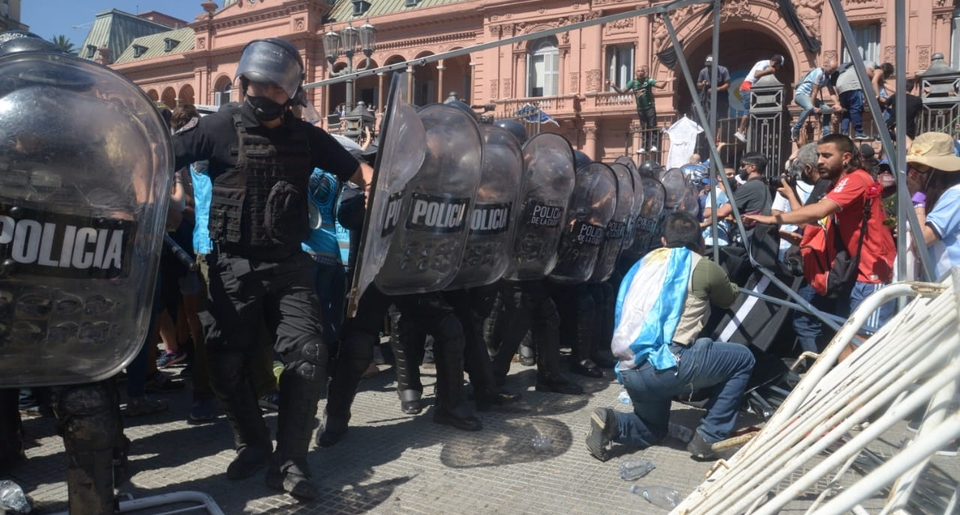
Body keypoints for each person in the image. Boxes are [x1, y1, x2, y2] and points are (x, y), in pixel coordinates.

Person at [173, 37, 373, 501]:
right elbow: (157, 154)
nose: (263, 93)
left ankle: (292, 461)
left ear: (291, 92)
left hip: (289, 265)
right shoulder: (216, 127)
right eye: (257, 84)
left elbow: (359, 172)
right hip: (232, 267)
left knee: (308, 355)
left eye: (274, 87)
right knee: (226, 363)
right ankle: (253, 444)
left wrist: (386, 187)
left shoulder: (306, 136)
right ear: (244, 82)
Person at [585, 211, 754, 461]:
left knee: (653, 429)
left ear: (663, 241)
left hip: (629, 368)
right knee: (743, 359)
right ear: (701, 243)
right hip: (668, 366)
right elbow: (728, 298)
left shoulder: (644, 263)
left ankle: (612, 422)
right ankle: (710, 437)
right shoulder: (702, 265)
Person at [744, 134, 896, 357]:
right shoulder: (838, 184)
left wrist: (771, 219)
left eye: (826, 155)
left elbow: (819, 211)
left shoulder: (856, 179)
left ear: (846, 157)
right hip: (853, 273)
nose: (820, 161)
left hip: (873, 273)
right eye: (818, 156)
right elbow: (816, 223)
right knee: (843, 339)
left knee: (864, 348)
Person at [905, 131, 960, 279]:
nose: (913, 173)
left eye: (919, 166)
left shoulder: (956, 196)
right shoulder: (941, 195)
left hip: (952, 283)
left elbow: (922, 240)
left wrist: (918, 199)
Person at [608, 65, 668, 153]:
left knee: (652, 125)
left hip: (650, 107)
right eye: (638, 71)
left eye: (641, 71)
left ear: (644, 73)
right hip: (640, 108)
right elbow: (622, 92)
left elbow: (661, 86)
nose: (640, 73)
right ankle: (644, 147)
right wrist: (614, 86)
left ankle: (654, 145)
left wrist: (666, 81)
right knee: (643, 127)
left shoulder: (648, 81)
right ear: (635, 73)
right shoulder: (632, 83)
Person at [735, 54, 785, 143]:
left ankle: (745, 130)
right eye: (779, 66)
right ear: (775, 62)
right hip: (747, 88)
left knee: (753, 111)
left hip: (751, 89)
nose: (778, 69)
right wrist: (769, 71)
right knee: (749, 110)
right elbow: (756, 74)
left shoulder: (766, 64)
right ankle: (740, 131)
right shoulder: (764, 64)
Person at [791, 59, 841, 143]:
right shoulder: (818, 72)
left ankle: (826, 134)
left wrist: (837, 104)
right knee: (809, 107)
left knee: (827, 110)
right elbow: (815, 91)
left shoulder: (828, 77)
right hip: (801, 94)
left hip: (810, 97)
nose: (831, 72)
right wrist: (814, 107)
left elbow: (832, 92)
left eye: (833, 70)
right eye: (831, 69)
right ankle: (795, 128)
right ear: (826, 66)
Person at [713, 152, 773, 221]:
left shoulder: (749, 186)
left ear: (752, 167)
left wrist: (704, 223)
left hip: (755, 228)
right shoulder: (764, 185)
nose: (740, 168)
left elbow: (721, 212)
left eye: (742, 166)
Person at [834, 60, 884, 140]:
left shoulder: (852, 66)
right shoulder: (871, 63)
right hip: (853, 85)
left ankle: (844, 132)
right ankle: (859, 132)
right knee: (856, 108)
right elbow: (868, 71)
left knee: (847, 111)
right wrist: (878, 79)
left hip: (840, 86)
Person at [696, 55, 731, 122]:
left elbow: (728, 84)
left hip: (721, 97)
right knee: (709, 116)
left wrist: (716, 89)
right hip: (708, 98)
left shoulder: (723, 70)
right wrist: (702, 84)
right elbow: (698, 85)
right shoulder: (703, 72)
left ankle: (720, 128)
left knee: (722, 116)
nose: (709, 68)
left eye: (710, 66)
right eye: (707, 66)